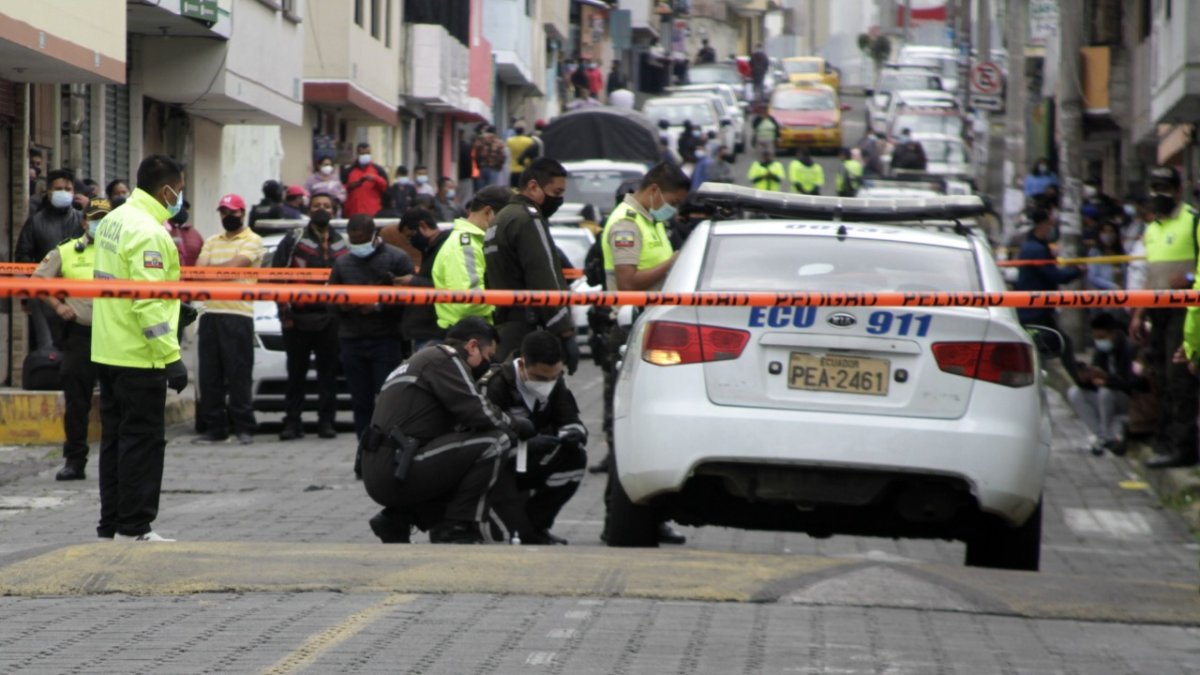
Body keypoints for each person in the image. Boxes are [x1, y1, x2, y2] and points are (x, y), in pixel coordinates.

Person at [361, 317, 533, 544]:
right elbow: (480, 412)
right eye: (487, 356)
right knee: (495, 443)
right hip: (396, 467)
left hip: (384, 466)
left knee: (464, 454)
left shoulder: (421, 359)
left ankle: (398, 519)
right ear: (472, 346)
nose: (487, 364)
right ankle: (458, 526)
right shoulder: (445, 359)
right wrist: (516, 424)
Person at [91, 154, 189, 542]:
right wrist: (172, 357)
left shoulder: (114, 219)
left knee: (114, 440)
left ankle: (111, 524)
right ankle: (135, 527)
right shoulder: (149, 232)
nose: (180, 198)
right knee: (143, 442)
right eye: (179, 191)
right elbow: (147, 301)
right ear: (165, 190)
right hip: (139, 354)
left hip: (108, 347)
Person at [599, 162, 691, 546]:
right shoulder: (627, 223)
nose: (674, 209)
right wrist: (677, 260)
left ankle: (652, 518)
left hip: (650, 327)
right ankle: (618, 520)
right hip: (627, 327)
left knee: (656, 430)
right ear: (654, 190)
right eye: (671, 201)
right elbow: (628, 283)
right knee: (627, 427)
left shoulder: (651, 221)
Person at [479, 330, 587, 545]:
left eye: (554, 376)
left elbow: (570, 418)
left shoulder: (556, 382)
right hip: (497, 468)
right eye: (540, 377)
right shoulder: (494, 385)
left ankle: (538, 525)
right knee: (512, 538)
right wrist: (524, 445)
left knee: (575, 457)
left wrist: (574, 433)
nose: (547, 383)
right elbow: (483, 443)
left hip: (529, 461)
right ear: (522, 365)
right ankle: (517, 527)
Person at [329, 214, 416, 461]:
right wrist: (344, 306)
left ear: (373, 236)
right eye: (353, 242)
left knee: (389, 401)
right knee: (361, 402)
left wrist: (377, 306)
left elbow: (409, 299)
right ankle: (364, 453)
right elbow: (329, 299)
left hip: (385, 340)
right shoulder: (342, 263)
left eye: (361, 241)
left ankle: (391, 452)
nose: (358, 246)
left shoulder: (396, 258)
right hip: (352, 340)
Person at [33, 198, 109, 481]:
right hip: (80, 335)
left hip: (114, 335)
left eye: (105, 219)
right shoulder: (66, 251)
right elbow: (38, 280)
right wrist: (57, 305)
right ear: (84, 222)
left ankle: (115, 463)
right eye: (95, 219)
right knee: (77, 402)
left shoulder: (120, 252)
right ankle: (74, 461)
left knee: (116, 401)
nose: (99, 224)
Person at [1134, 166, 1200, 469]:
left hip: (1185, 310)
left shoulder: (1192, 221)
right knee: (1159, 375)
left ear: (1177, 191)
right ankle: (1165, 438)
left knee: (1179, 379)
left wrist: (1187, 277)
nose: (1158, 194)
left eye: (1164, 188)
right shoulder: (1151, 229)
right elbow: (1150, 276)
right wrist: (1139, 313)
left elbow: (1196, 269)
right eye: (1154, 187)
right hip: (1157, 312)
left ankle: (1183, 446)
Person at [483, 158, 577, 362]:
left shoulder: (500, 219)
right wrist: (565, 332)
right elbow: (544, 276)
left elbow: (489, 278)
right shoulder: (529, 219)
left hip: (504, 328)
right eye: (557, 193)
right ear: (533, 186)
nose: (559, 200)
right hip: (529, 332)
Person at [272, 192, 348, 441]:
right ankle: (292, 423)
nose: (322, 209)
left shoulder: (343, 243)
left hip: (330, 320)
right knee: (295, 376)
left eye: (327, 205)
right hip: (297, 319)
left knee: (328, 376)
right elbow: (278, 277)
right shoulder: (294, 239)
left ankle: (326, 423)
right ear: (309, 209)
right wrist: (285, 313)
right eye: (317, 206)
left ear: (334, 210)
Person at [192, 194, 264, 446]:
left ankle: (244, 427)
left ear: (242, 213)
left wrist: (213, 272)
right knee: (209, 376)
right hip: (210, 314)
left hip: (238, 314)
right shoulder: (212, 240)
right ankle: (215, 429)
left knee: (238, 374)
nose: (227, 216)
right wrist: (219, 273)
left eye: (232, 212)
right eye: (223, 212)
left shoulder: (252, 240)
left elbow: (238, 265)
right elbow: (199, 271)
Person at [1014, 207, 1084, 384]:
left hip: (1037, 309)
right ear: (1042, 225)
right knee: (1056, 347)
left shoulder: (1033, 246)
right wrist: (1076, 270)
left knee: (1053, 347)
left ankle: (1075, 383)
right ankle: (1077, 384)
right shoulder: (1035, 249)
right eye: (1049, 224)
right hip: (1035, 311)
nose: (1051, 228)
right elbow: (1054, 275)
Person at [431, 186, 510, 330]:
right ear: (488, 212)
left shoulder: (476, 242)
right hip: (469, 335)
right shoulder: (466, 245)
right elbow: (470, 302)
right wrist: (505, 306)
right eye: (503, 219)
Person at [1068, 313, 1142, 456]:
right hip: (1105, 399)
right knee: (1075, 392)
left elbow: (1134, 383)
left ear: (1113, 334)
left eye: (1102, 338)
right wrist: (1086, 379)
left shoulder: (1130, 349)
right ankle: (1101, 435)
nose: (1099, 342)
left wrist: (1107, 379)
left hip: (1126, 400)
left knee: (1105, 392)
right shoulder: (1101, 351)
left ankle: (1106, 436)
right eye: (1096, 338)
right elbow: (1096, 378)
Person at [342, 142, 390, 218]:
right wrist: (353, 185)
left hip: (373, 213)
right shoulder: (348, 171)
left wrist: (375, 178)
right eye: (362, 153)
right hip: (352, 213)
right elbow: (342, 190)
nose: (365, 156)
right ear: (357, 154)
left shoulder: (378, 170)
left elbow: (386, 187)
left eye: (367, 153)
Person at [1086, 220, 1126, 291]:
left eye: (1111, 231)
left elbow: (1125, 274)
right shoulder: (1095, 252)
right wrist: (1113, 287)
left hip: (1121, 294)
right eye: (1104, 232)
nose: (1108, 235)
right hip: (1103, 295)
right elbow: (1093, 277)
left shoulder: (1120, 252)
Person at [163, 200, 204, 267]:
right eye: (178, 207)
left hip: (191, 276)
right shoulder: (163, 230)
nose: (181, 210)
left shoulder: (195, 235)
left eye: (185, 208)